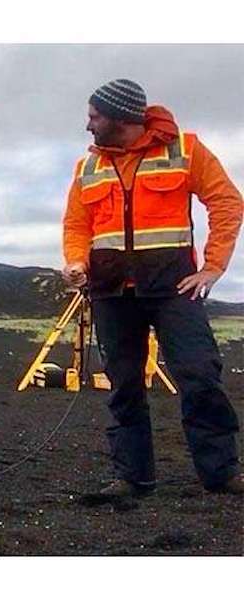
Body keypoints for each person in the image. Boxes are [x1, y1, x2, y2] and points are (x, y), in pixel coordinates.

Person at [62, 79, 243, 497]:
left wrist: (213, 267)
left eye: (94, 116)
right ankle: (132, 477)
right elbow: (77, 223)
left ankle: (221, 475)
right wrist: (76, 261)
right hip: (109, 290)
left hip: (174, 288)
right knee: (123, 384)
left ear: (121, 117)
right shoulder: (87, 166)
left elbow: (227, 202)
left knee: (199, 375)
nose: (87, 125)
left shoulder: (185, 149)